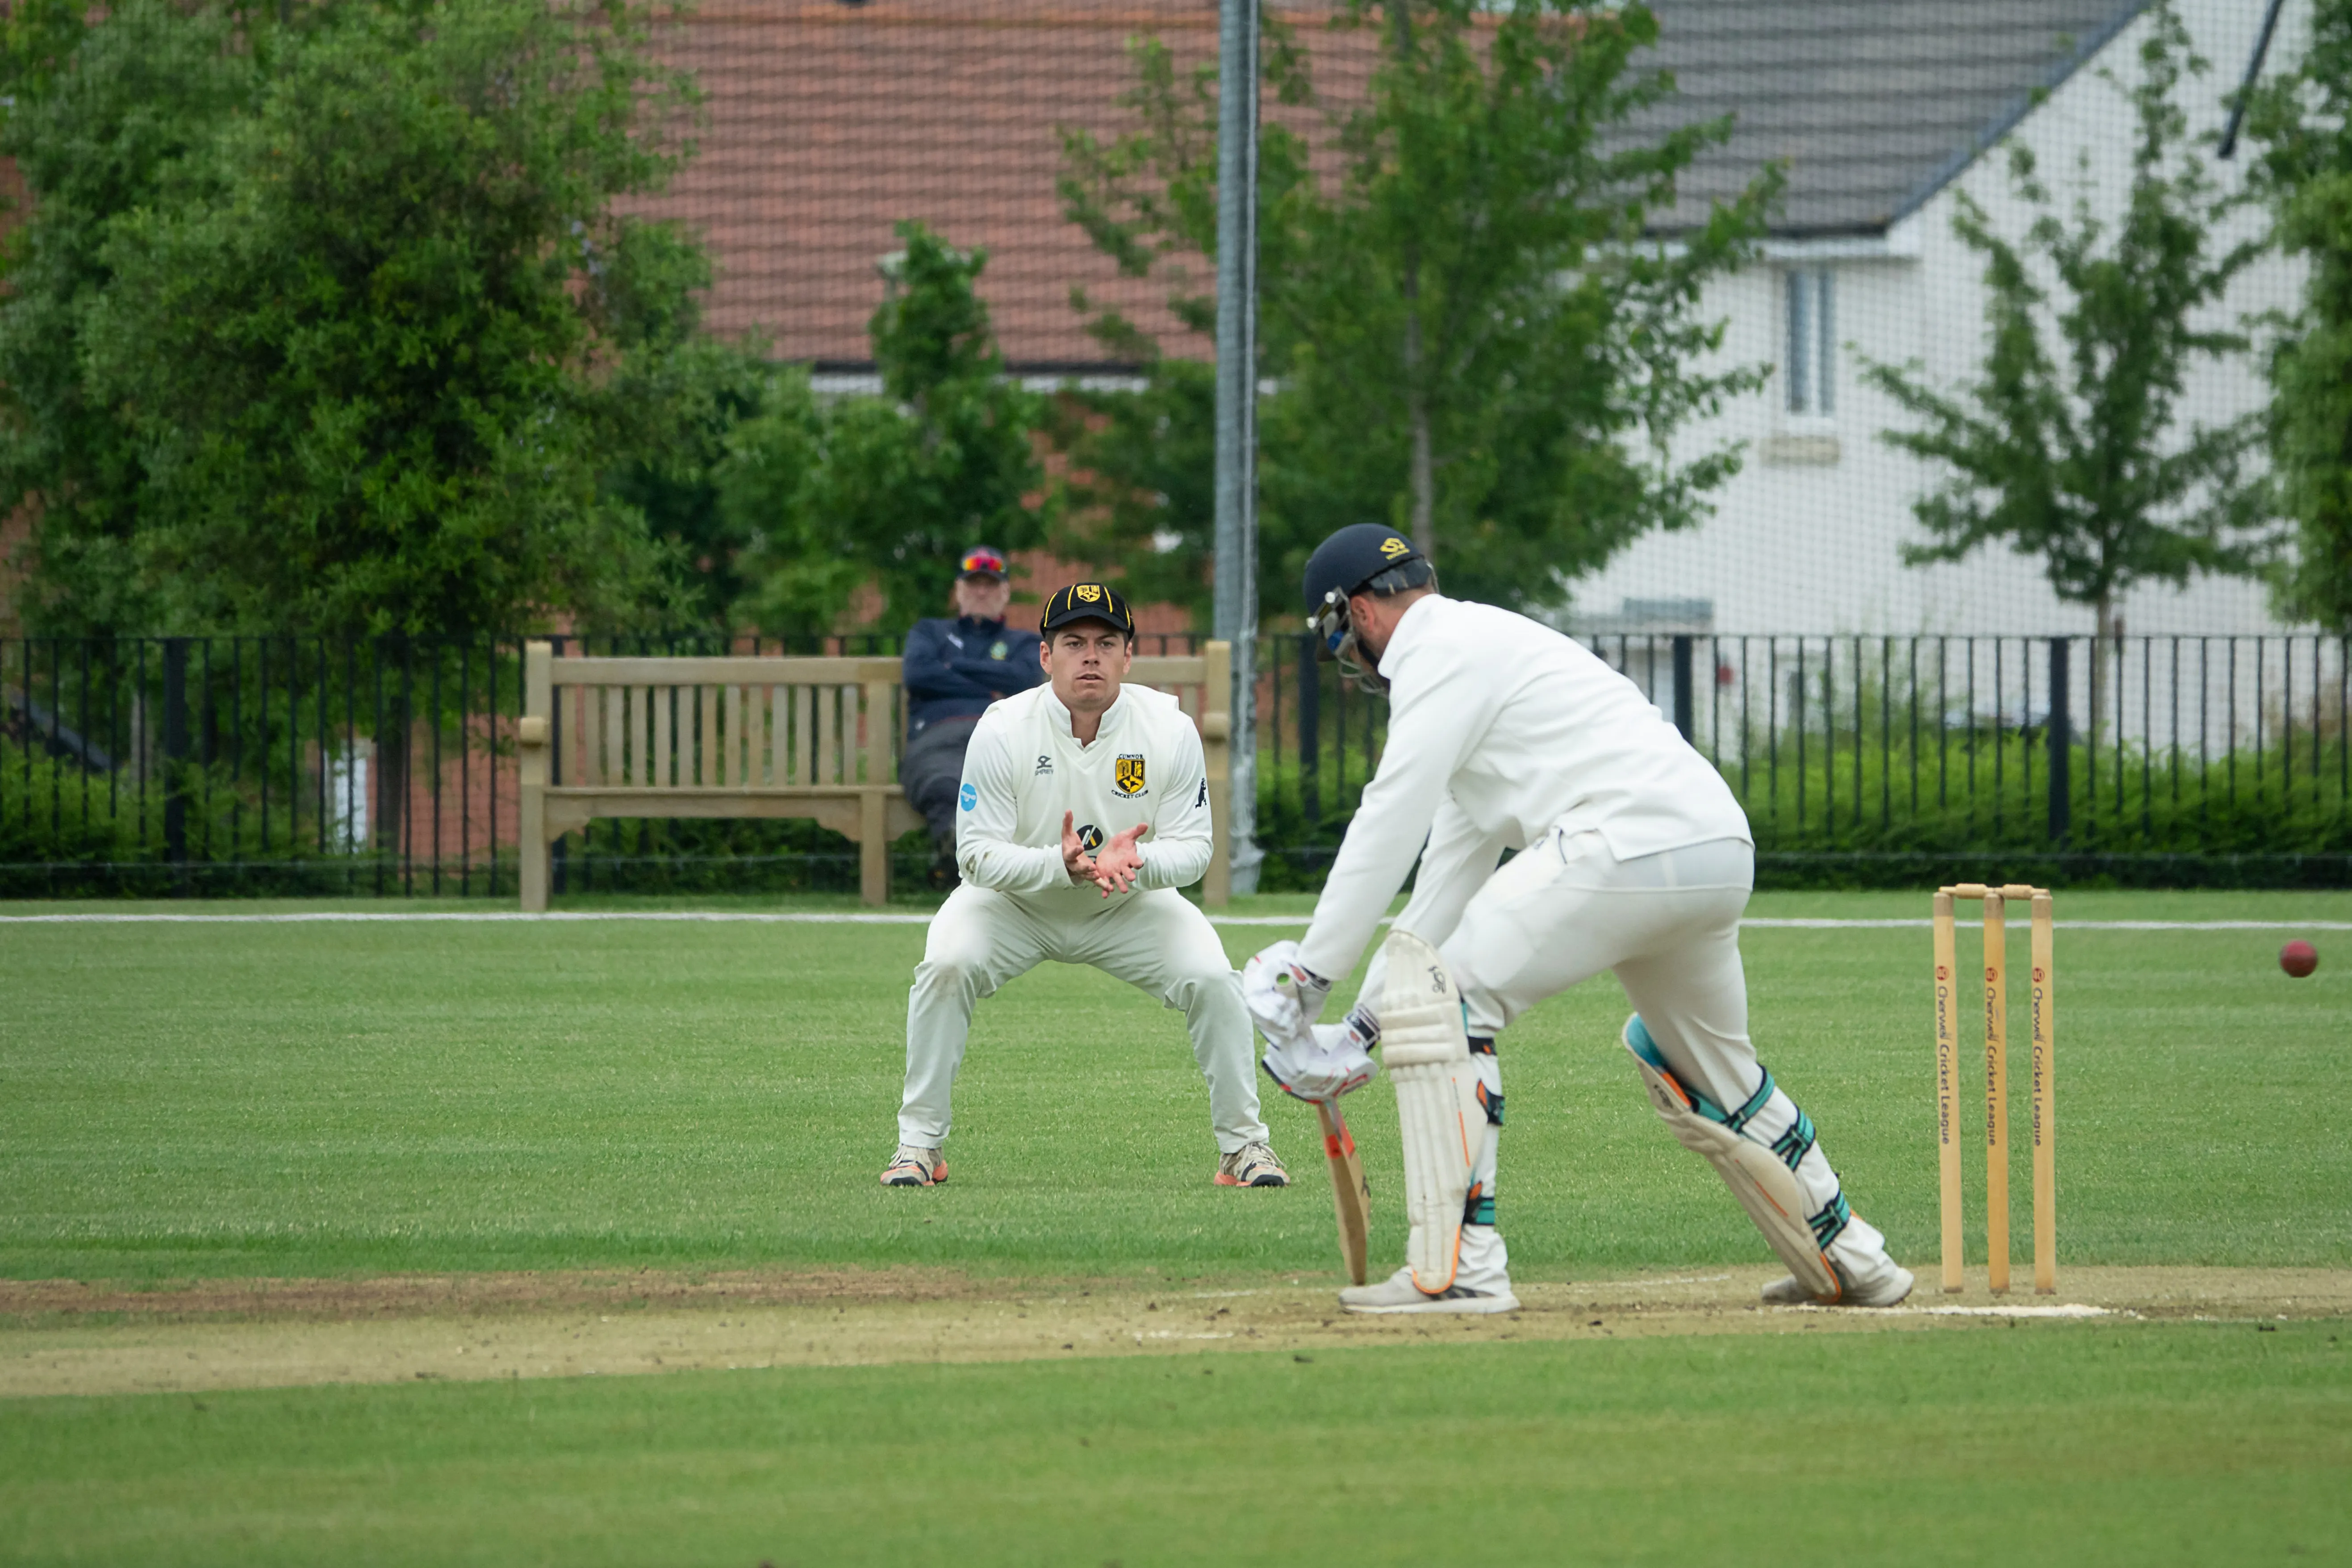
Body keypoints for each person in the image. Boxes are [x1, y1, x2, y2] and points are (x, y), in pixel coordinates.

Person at [1242, 524, 1912, 1315]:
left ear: (1360, 611)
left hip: (1626, 839)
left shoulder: (1437, 652)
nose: (1352, 660)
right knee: (1711, 1069)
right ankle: (1851, 1259)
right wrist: (1359, 1028)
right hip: (1711, 846)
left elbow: (1388, 817)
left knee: (1444, 1003)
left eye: (1342, 640)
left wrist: (1308, 977)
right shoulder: (1481, 646)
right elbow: (1446, 877)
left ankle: (1459, 1265)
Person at [882, 581, 1286, 1191]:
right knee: (945, 963)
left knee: (1211, 977)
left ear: (1128, 656)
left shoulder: (1168, 728)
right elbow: (974, 856)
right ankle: (918, 1145)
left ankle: (1245, 1147)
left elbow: (1196, 849)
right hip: (1014, 902)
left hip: (1128, 901)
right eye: (1072, 642)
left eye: (1105, 642)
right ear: (1044, 658)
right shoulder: (1001, 727)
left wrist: (1136, 863)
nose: (1089, 656)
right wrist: (1057, 865)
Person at [900, 546, 1045, 886]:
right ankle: (961, 853)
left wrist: (952, 668)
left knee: (1014, 778)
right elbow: (919, 674)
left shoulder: (1025, 642)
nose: (982, 592)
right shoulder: (928, 633)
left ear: (1006, 593)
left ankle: (982, 860)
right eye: (973, 584)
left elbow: (1025, 678)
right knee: (943, 781)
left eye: (991, 585)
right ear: (958, 590)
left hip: (1002, 736)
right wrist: (992, 683)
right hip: (938, 737)